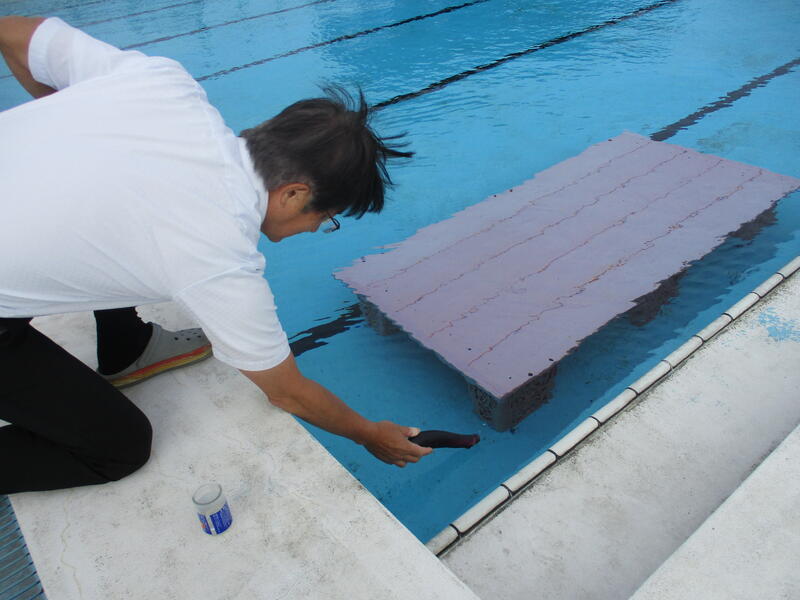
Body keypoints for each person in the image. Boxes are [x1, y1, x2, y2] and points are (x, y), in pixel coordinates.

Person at [0, 16, 433, 495]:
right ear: (293, 194)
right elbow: (288, 392)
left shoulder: (164, 84)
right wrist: (369, 433)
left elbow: (13, 32)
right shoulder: (219, 256)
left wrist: (63, 138)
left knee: (121, 214)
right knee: (120, 446)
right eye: (325, 217)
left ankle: (127, 348)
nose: (316, 229)